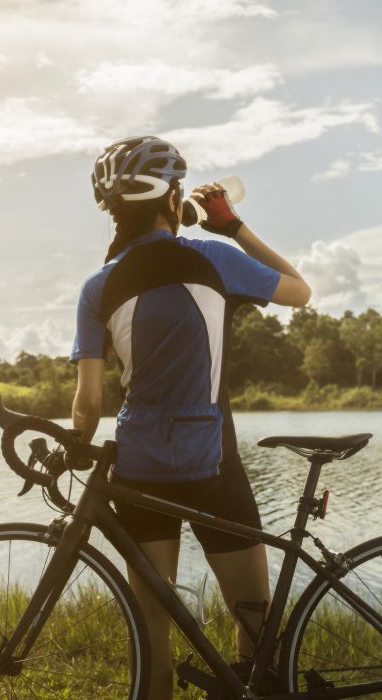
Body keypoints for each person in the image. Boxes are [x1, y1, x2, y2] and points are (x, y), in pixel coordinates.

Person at [69, 135, 311, 699]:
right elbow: (301, 291)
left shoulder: (97, 287)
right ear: (172, 197)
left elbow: (88, 404)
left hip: (139, 468)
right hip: (214, 466)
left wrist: (75, 444)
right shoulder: (214, 257)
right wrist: (232, 226)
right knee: (254, 618)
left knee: (150, 631)